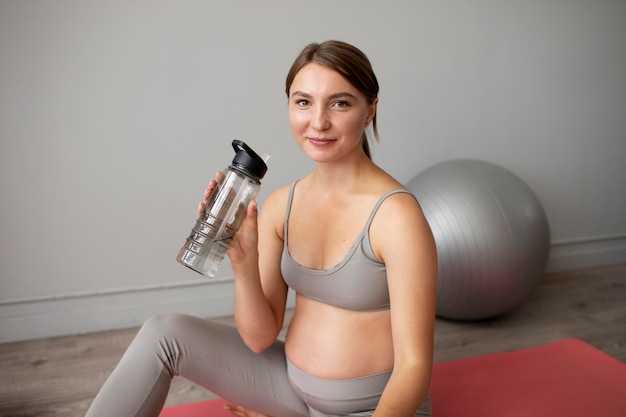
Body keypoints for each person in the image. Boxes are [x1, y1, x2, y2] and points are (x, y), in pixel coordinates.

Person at [85, 40, 437, 417]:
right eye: (303, 102)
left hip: (371, 409)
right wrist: (242, 260)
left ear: (369, 111)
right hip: (291, 389)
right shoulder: (281, 204)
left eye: (340, 103)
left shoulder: (397, 216)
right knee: (163, 334)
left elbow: (415, 367)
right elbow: (258, 338)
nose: (318, 121)